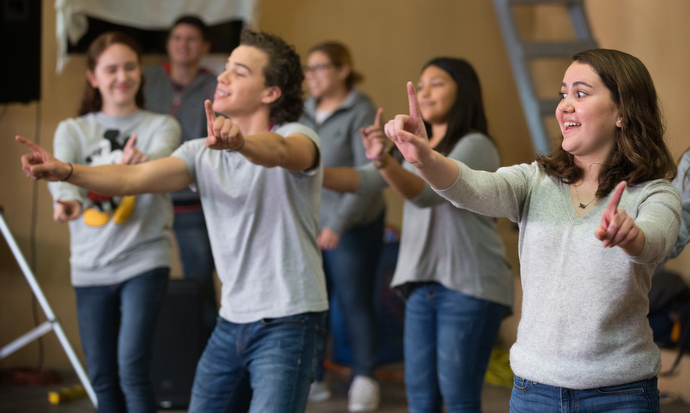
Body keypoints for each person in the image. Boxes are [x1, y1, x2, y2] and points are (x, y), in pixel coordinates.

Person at [18, 29, 328, 413]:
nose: (222, 78)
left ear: (271, 93)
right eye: (225, 68)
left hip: (289, 319)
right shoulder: (201, 153)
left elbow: (281, 152)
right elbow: (133, 178)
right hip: (231, 321)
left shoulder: (298, 135)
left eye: (239, 72)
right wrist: (65, 171)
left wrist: (243, 143)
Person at [383, 49, 680, 413]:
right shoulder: (535, 180)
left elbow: (657, 238)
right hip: (534, 391)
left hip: (620, 394)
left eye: (581, 93)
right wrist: (424, 158)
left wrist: (631, 237)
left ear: (622, 111)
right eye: (563, 93)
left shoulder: (654, 192)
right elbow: (473, 187)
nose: (564, 105)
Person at [323, 58, 514, 413]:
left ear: (464, 90)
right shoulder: (410, 147)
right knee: (421, 399)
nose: (424, 92)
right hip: (420, 284)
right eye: (421, 84)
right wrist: (307, 169)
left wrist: (387, 162)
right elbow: (362, 180)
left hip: (469, 285)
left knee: (459, 398)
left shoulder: (475, 144)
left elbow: (426, 195)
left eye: (436, 83)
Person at [30, 32, 181, 412]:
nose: (122, 76)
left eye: (130, 67)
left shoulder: (162, 125)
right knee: (101, 375)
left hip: (144, 259)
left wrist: (141, 164)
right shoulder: (73, 129)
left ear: (140, 75)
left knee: (131, 368)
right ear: (93, 78)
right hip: (89, 266)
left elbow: (160, 166)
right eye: (110, 69)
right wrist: (66, 202)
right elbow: (63, 177)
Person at [299, 41, 385, 411]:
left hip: (352, 224)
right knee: (313, 303)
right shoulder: (303, 112)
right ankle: (315, 377)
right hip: (310, 224)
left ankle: (364, 377)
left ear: (342, 69)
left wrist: (337, 224)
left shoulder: (359, 109)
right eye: (308, 69)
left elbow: (369, 177)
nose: (311, 76)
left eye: (319, 68)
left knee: (353, 301)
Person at [143, 15, 218, 337]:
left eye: (191, 39)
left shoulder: (216, 85)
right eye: (177, 38)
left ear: (204, 47)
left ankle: (206, 356)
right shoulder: (147, 80)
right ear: (168, 44)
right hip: (148, 198)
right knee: (143, 281)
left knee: (200, 281)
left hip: (194, 205)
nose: (183, 45)